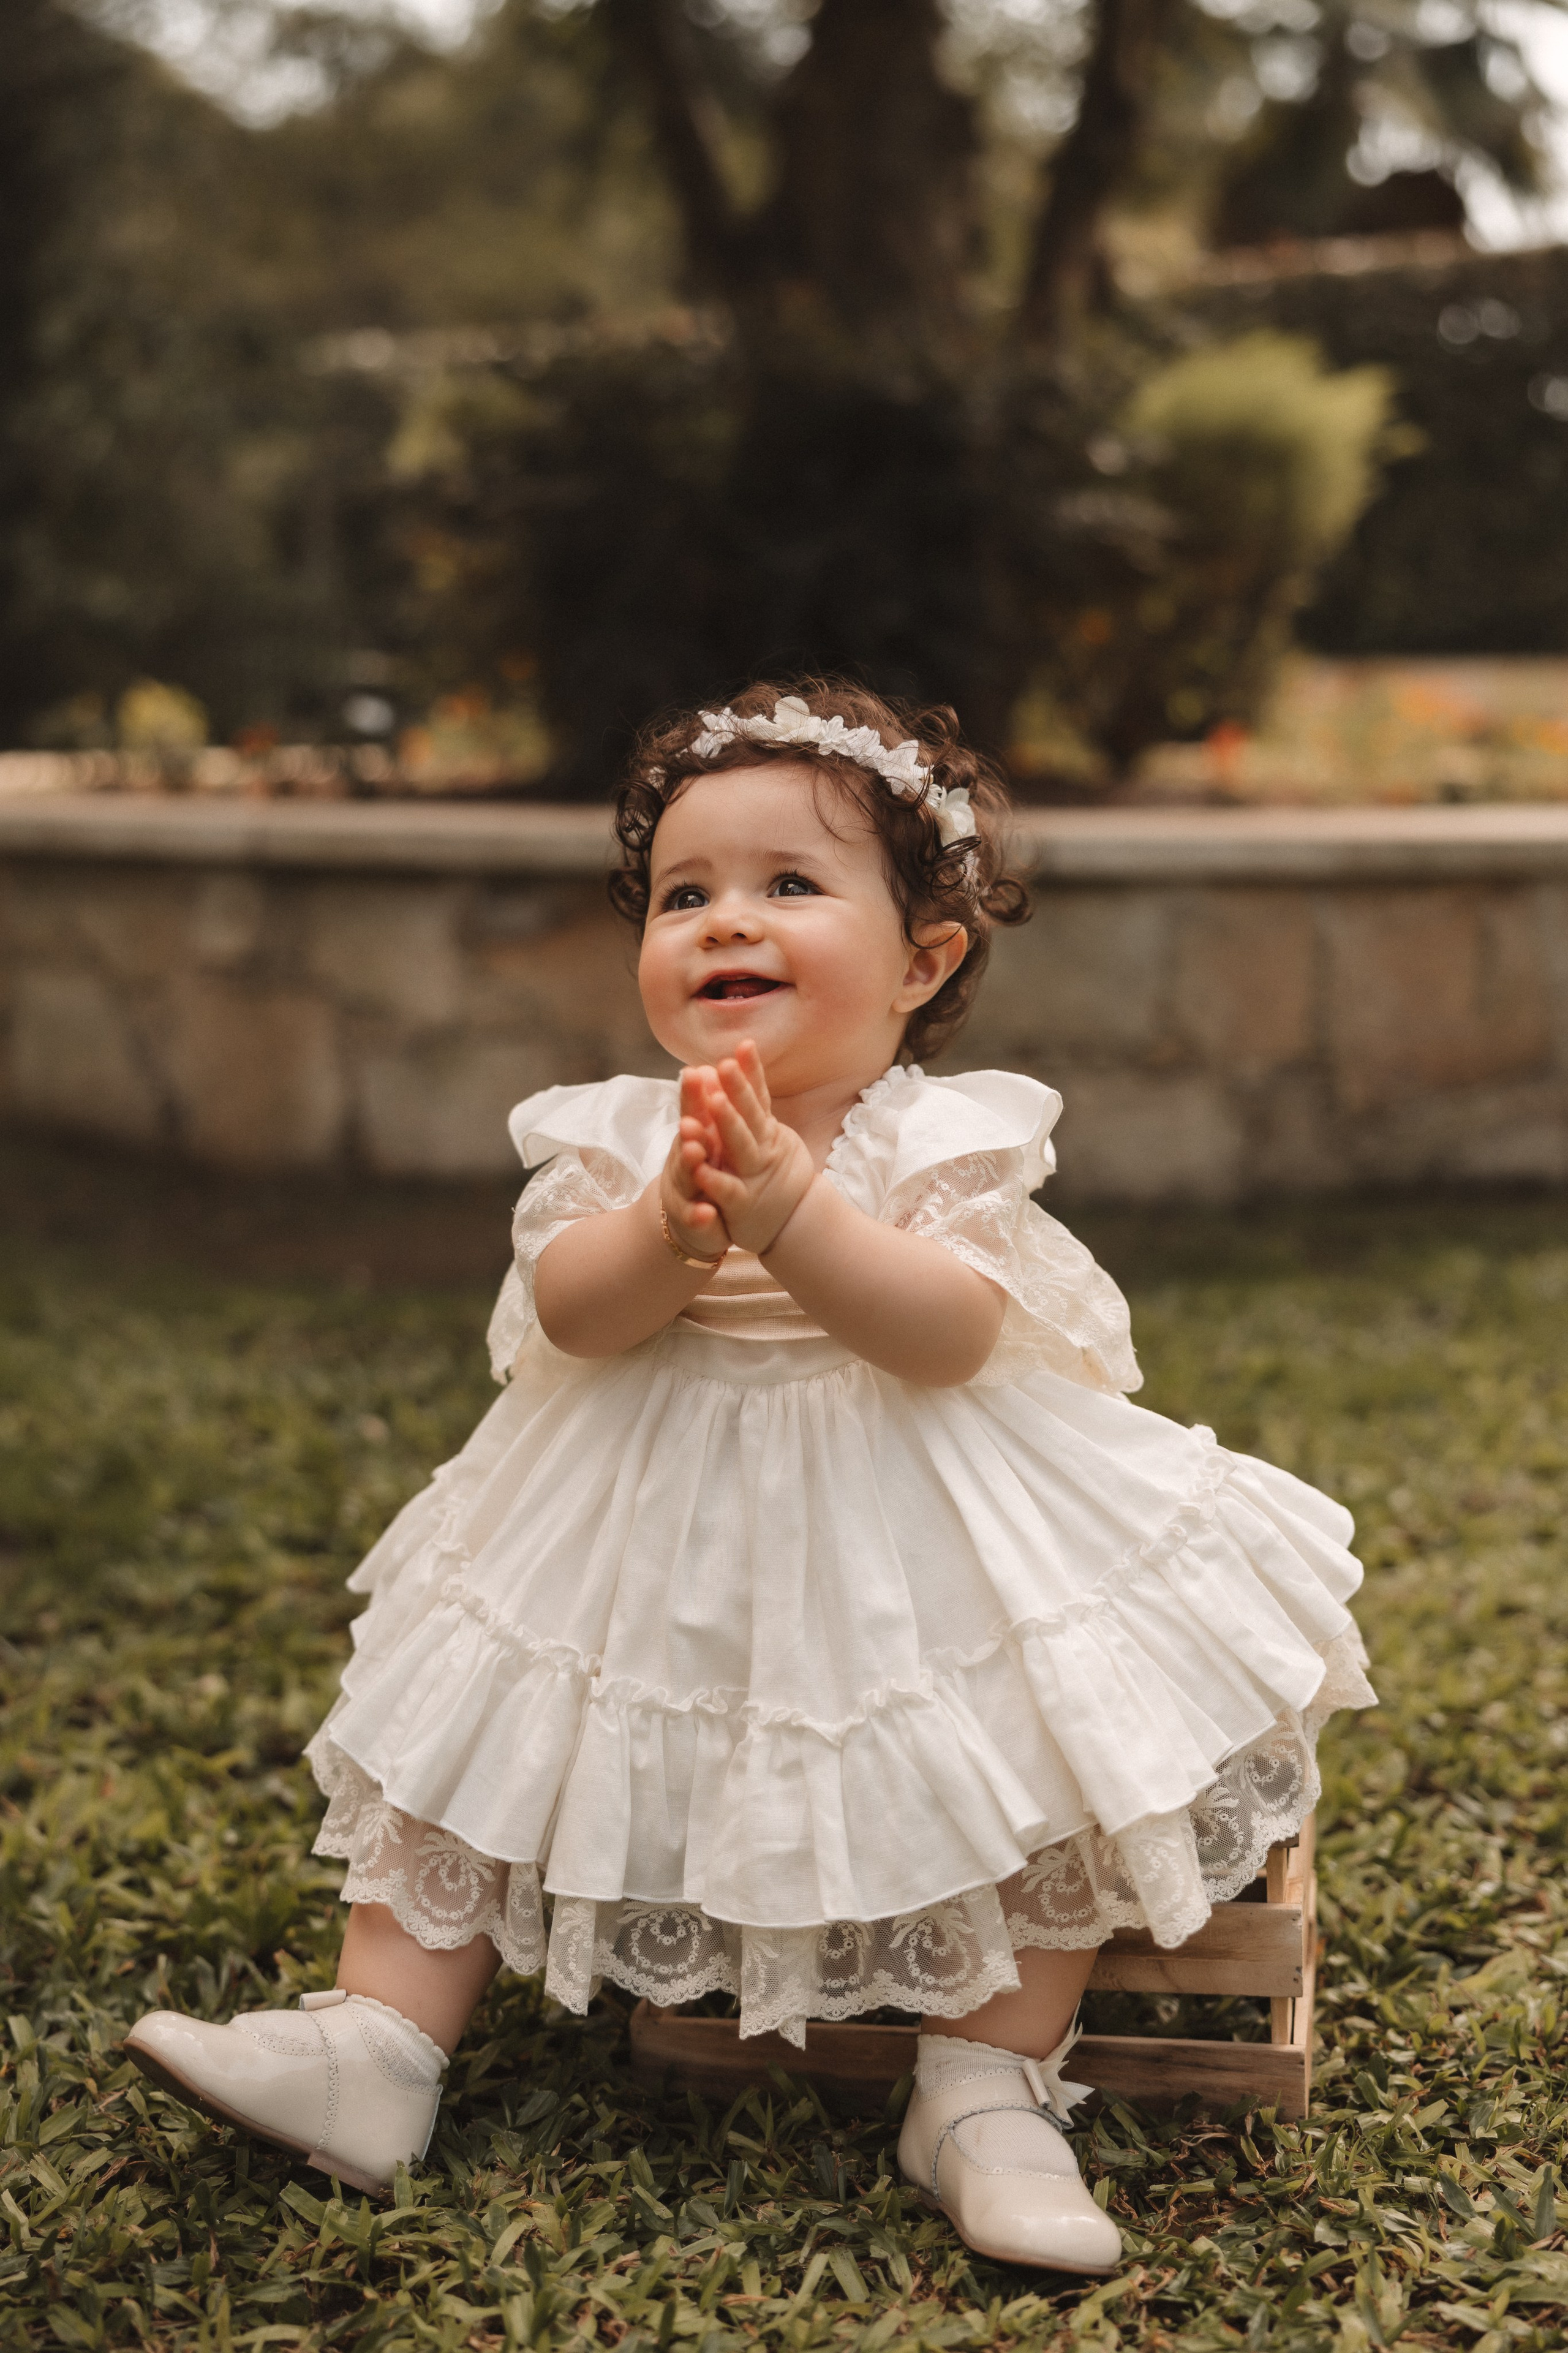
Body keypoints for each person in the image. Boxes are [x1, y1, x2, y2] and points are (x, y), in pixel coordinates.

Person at [126, 681, 1374, 2272]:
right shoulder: (616, 1132)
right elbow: (570, 1313)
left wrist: (797, 1211)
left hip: (909, 1515)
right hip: (644, 1519)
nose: (730, 919)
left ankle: (987, 2087)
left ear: (927, 960)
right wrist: (668, 1226)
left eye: (791, 883)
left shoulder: (943, 1138)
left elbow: (946, 1331)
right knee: (478, 1743)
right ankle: (377, 2044)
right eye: (684, 893)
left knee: (1030, 1767)